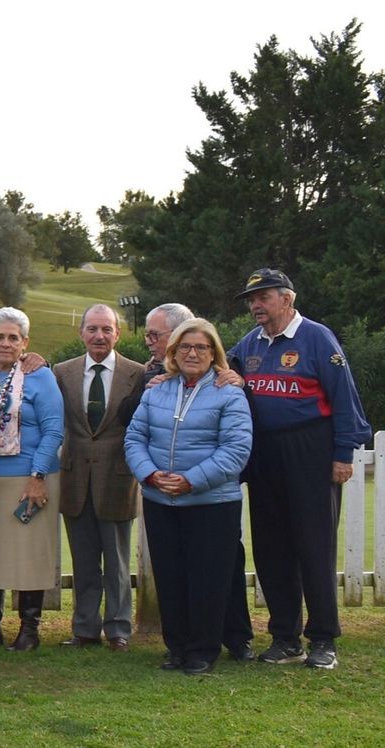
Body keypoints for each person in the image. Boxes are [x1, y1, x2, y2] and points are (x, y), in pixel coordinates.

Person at [228, 268, 371, 670]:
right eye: (251, 299)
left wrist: (343, 454)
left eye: (264, 297)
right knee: (271, 547)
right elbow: (220, 370)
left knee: (313, 545)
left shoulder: (316, 337)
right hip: (265, 452)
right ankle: (285, 638)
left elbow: (344, 398)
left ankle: (323, 638)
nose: (255, 305)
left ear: (287, 299)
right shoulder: (250, 343)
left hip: (310, 448)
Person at [125, 318, 254, 675]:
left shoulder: (229, 393)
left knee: (208, 579)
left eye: (201, 347)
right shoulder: (156, 390)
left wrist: (191, 481)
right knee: (170, 576)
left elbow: (235, 451)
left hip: (211, 503)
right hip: (161, 500)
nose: (192, 353)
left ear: (214, 353)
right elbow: (135, 438)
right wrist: (150, 474)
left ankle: (202, 650)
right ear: (173, 352)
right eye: (185, 346)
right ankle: (177, 647)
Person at [0, 307, 65, 651]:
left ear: (25, 343)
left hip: (29, 479)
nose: (6, 344)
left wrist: (38, 476)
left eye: (14, 338)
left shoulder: (40, 377)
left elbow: (54, 430)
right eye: (0, 337)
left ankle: (29, 628)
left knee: (29, 555)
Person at [52, 304, 144, 652]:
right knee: (84, 560)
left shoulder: (137, 374)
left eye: (106, 329)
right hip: (75, 479)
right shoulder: (62, 372)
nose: (99, 336)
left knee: (118, 562)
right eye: (92, 329)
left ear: (117, 333)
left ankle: (118, 628)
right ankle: (85, 629)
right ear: (82, 333)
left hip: (118, 479)